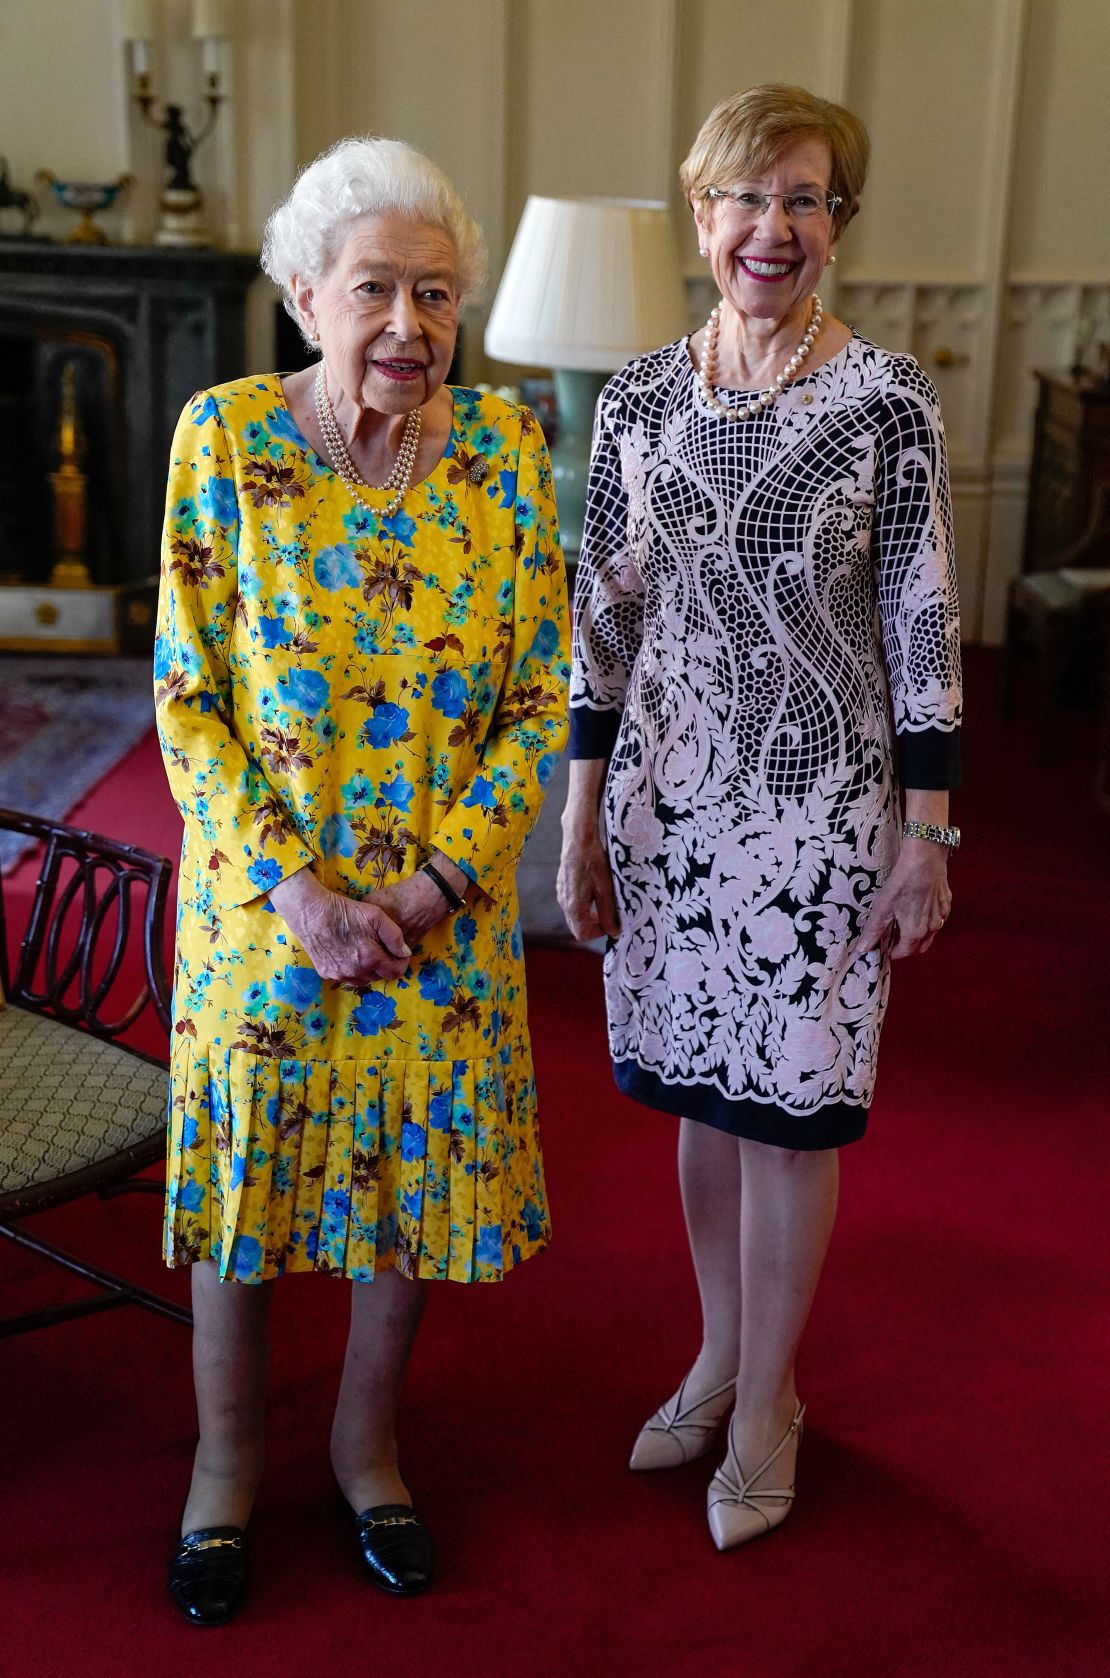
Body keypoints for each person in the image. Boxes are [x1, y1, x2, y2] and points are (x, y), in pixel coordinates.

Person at [154, 135, 568, 1623]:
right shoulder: (226, 441)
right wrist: (301, 896)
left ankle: (365, 1448)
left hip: (437, 927)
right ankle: (223, 1467)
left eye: (437, 294)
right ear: (301, 292)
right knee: (250, 1194)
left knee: (407, 1193)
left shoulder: (508, 455)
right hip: (269, 918)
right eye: (376, 289)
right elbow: (187, 697)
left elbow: (539, 694)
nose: (410, 324)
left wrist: (446, 885)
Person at [558, 83, 961, 1552]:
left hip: (819, 815)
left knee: (790, 1118)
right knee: (703, 1102)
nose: (767, 227)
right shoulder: (639, 400)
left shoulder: (886, 401)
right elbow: (600, 612)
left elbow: (920, 620)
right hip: (668, 803)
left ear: (835, 224)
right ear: (699, 211)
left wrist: (931, 829)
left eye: (801, 200)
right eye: (744, 197)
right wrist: (580, 811)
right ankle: (716, 1357)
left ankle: (772, 1397)